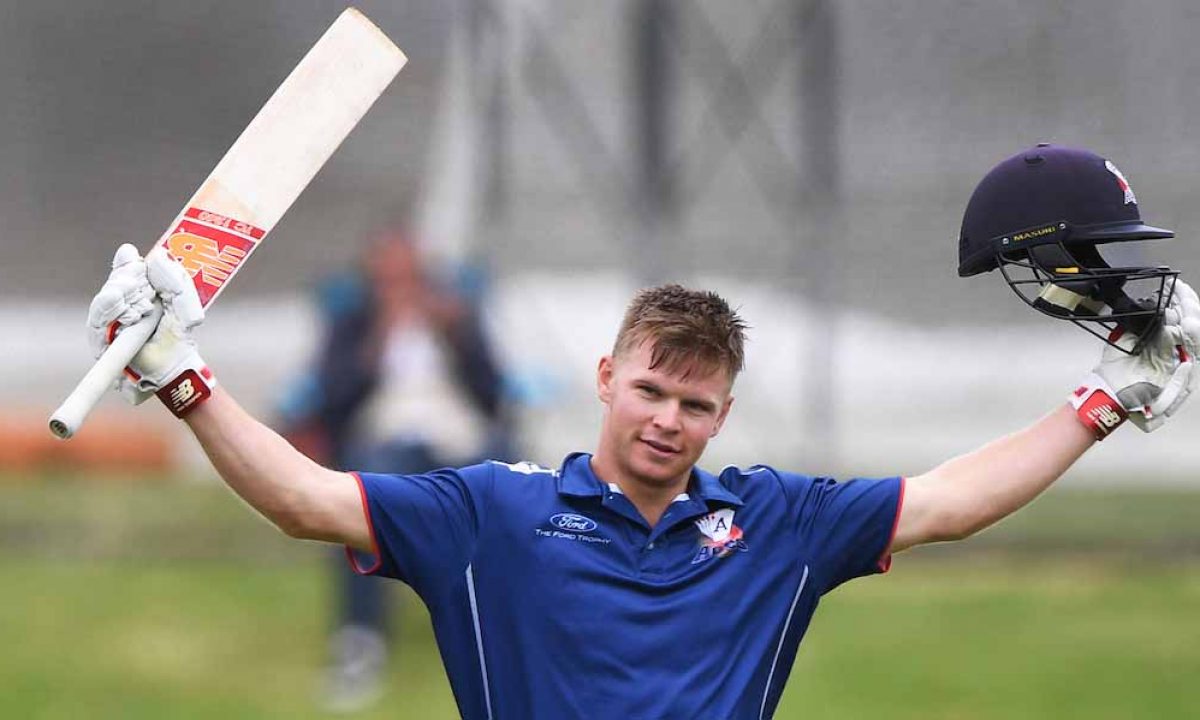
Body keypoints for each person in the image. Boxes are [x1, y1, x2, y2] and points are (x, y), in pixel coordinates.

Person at [85, 144, 1200, 719]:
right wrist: (182, 377)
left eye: (696, 405)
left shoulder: (777, 522)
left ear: (723, 416)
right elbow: (304, 499)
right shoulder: (490, 512)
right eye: (653, 392)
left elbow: (951, 501)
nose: (670, 421)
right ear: (607, 380)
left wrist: (1099, 406)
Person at [275, 233, 514, 712]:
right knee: (363, 500)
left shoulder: (455, 315)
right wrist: (377, 343)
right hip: (386, 438)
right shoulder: (355, 321)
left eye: (409, 276)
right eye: (389, 277)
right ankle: (359, 640)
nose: (400, 286)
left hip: (457, 436)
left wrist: (457, 335)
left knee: (510, 488)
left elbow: (494, 395)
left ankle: (508, 632)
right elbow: (332, 402)